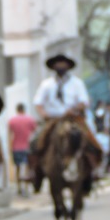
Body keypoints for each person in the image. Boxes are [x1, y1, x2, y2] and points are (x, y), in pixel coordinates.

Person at [29, 53, 102, 191]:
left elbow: (84, 102)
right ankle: (35, 172)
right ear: (53, 66)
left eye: (63, 63)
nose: (60, 66)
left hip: (73, 118)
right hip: (53, 119)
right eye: (58, 63)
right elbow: (38, 103)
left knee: (91, 140)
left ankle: (94, 168)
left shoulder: (77, 83)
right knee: (34, 141)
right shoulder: (47, 84)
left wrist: (74, 108)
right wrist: (44, 114)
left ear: (68, 66)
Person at [7, 103, 38, 195]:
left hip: (16, 147)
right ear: (24, 109)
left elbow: (9, 134)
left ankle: (19, 187)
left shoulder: (12, 120)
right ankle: (27, 187)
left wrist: (10, 147)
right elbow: (35, 132)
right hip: (28, 147)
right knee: (28, 167)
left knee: (17, 168)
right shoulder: (30, 119)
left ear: (17, 110)